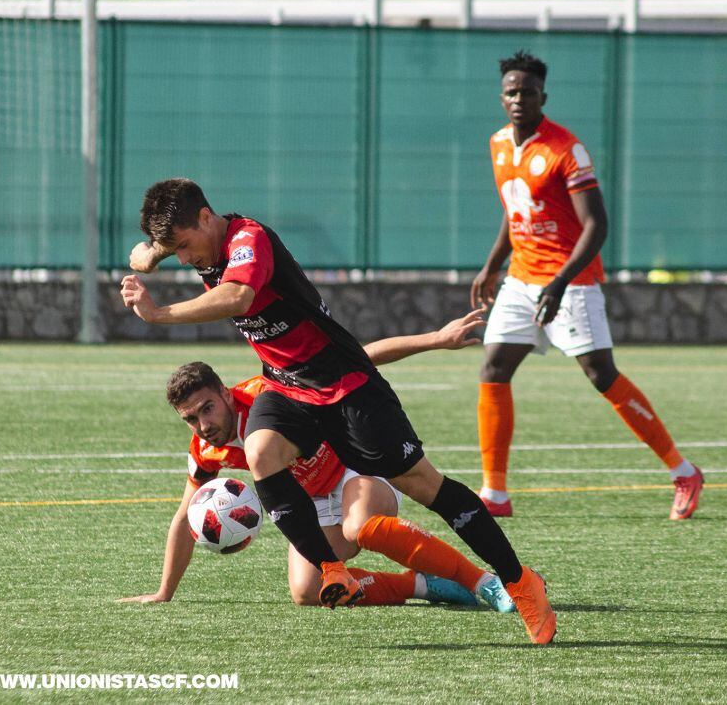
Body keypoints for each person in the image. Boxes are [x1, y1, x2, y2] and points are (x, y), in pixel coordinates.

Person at [121, 178, 556, 644]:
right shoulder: (200, 241)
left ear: (207, 218)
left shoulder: (250, 240)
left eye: (186, 246)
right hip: (285, 386)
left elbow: (238, 298)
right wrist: (151, 254)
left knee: (428, 487)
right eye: (177, 251)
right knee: (262, 452)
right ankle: (333, 571)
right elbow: (155, 252)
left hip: (346, 385)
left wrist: (159, 313)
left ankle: (518, 581)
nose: (186, 259)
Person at [471, 50, 703, 520]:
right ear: (502, 97)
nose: (519, 99)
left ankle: (683, 470)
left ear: (543, 96)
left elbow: (596, 226)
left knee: (601, 375)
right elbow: (514, 212)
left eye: (528, 92)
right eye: (512, 92)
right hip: (520, 279)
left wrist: (559, 283)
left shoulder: (565, 150)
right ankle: (494, 493)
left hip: (570, 282)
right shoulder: (498, 143)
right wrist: (493, 265)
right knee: (493, 368)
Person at [120, 357, 515, 613]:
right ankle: (427, 584)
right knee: (308, 591)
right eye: (190, 418)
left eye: (207, 408)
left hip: (357, 468)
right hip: (314, 501)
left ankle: (485, 580)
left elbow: (353, 361)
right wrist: (164, 591)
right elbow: (185, 518)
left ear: (225, 394)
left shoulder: (267, 393)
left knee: (357, 526)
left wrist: (435, 343)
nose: (203, 424)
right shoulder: (207, 450)